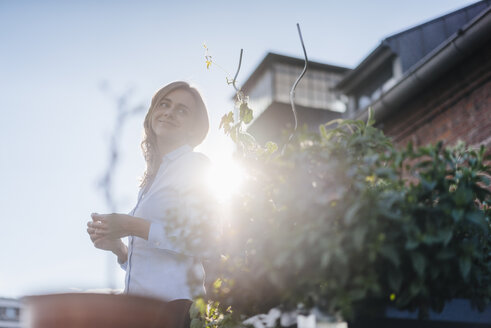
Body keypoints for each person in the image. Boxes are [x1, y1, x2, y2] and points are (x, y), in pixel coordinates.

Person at [87, 81, 211, 327]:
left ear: (193, 128)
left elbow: (205, 238)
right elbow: (156, 262)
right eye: (164, 104)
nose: (169, 112)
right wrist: (120, 250)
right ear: (152, 113)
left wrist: (133, 225)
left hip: (174, 311)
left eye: (182, 110)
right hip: (139, 313)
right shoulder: (151, 180)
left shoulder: (194, 165)